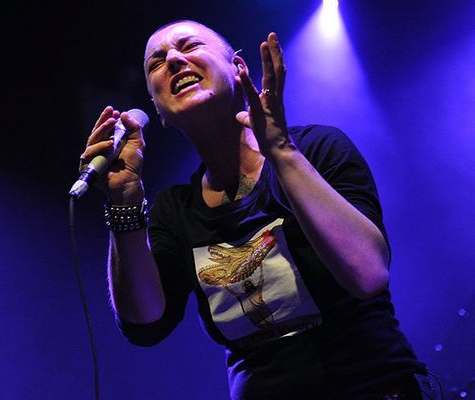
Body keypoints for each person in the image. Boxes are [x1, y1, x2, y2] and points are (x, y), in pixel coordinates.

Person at [79, 20, 433, 399]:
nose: (175, 60)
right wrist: (125, 200)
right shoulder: (175, 211)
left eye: (189, 46)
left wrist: (280, 151)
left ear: (238, 68)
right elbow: (144, 323)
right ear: (160, 113)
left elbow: (367, 274)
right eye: (157, 63)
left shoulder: (317, 150)